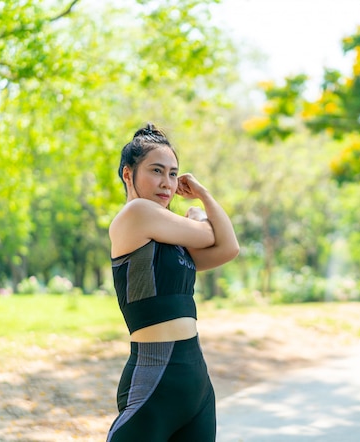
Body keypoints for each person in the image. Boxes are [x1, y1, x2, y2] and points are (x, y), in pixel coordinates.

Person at [106, 123, 239, 442]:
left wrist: (203, 193)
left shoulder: (174, 241)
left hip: (196, 383)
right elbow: (210, 234)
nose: (167, 183)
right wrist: (196, 216)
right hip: (154, 378)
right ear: (128, 174)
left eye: (173, 174)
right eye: (156, 171)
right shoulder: (136, 213)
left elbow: (229, 247)